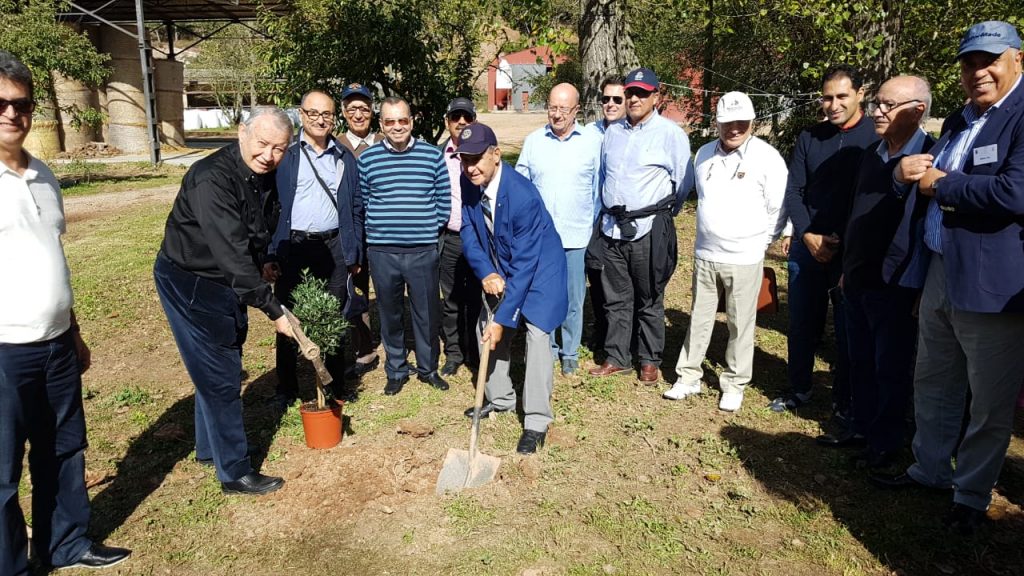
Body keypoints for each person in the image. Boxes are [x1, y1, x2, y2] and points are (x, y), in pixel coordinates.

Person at [870, 21, 1024, 536]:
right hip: (940, 267)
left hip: (992, 284)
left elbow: (1015, 193)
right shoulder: (960, 118)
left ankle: (971, 495)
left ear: (1017, 60)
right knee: (934, 377)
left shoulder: (1021, 116)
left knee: (989, 397)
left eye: (990, 61)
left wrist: (945, 184)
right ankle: (929, 469)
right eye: (969, 63)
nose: (978, 72)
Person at [0, 49, 131, 575]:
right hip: (5, 350)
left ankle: (67, 544)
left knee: (64, 451)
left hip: (55, 343)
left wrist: (73, 331)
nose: (12, 113)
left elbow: (55, 256)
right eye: (1, 103)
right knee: (3, 472)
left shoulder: (45, 175)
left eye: (23, 103)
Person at [154, 106, 295, 496]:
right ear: (241, 133)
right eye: (263, 144)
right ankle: (234, 471)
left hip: (225, 278)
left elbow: (258, 226)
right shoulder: (211, 179)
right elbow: (231, 254)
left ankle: (207, 448)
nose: (269, 155)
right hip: (192, 280)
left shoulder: (263, 173)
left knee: (218, 357)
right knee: (221, 370)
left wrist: (265, 258)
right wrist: (274, 310)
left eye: (280, 148)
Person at [823, 76, 934, 467]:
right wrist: (846, 266)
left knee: (891, 366)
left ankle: (886, 443)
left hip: (897, 281)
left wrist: (923, 285)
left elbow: (925, 230)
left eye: (888, 105)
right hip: (857, 276)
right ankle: (861, 426)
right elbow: (858, 213)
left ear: (917, 110)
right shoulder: (873, 154)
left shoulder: (930, 160)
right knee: (859, 360)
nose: (877, 112)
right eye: (877, 104)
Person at [664, 92, 787, 412]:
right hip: (706, 253)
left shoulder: (767, 156)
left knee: (740, 322)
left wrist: (762, 242)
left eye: (741, 122)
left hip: (745, 256)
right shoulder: (703, 154)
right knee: (699, 319)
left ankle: (734, 382)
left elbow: (779, 207)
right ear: (717, 122)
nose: (734, 128)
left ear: (752, 122)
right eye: (727, 122)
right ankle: (688, 376)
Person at [770, 65, 877, 416]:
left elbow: (873, 198)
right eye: (827, 97)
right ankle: (799, 388)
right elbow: (794, 190)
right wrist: (809, 235)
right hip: (808, 244)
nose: (833, 104)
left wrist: (842, 239)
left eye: (841, 96)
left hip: (852, 249)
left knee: (849, 328)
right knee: (801, 323)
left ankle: (844, 399)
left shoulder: (875, 138)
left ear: (860, 94)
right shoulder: (809, 137)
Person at [455, 122, 568, 454]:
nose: (470, 167)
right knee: (484, 328)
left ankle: (535, 421)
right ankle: (501, 399)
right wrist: (487, 272)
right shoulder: (469, 180)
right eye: (464, 159)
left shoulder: (523, 197)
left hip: (540, 271)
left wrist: (504, 318)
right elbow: (468, 231)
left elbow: (525, 266)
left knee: (536, 334)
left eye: (477, 159)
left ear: (495, 154)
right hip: (501, 264)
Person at [588, 67, 693, 383]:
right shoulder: (614, 132)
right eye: (631, 92)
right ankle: (617, 355)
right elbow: (606, 175)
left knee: (649, 295)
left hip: (648, 228)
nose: (634, 98)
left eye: (642, 93)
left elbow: (683, 183)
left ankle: (649, 359)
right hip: (612, 229)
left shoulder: (670, 134)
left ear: (656, 97)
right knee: (616, 297)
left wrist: (660, 214)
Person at [264, 90, 363, 407]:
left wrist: (354, 250)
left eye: (327, 114)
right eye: (314, 113)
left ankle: (334, 385)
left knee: (334, 316)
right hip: (293, 247)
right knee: (287, 318)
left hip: (333, 245)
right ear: (301, 115)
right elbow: (269, 207)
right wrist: (269, 252)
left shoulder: (344, 157)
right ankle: (287, 388)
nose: (321, 120)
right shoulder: (287, 156)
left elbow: (357, 207)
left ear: (335, 117)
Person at [357, 96, 450, 395]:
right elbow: (364, 201)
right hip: (383, 251)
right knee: (390, 313)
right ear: (381, 124)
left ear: (412, 120)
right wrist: (384, 227)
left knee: (426, 313)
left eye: (402, 120)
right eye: (389, 121)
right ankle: (396, 370)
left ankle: (427, 369)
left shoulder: (431, 156)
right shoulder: (368, 159)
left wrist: (422, 227)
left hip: (422, 249)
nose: (397, 126)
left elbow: (443, 201)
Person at [516, 83, 601, 375]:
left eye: (563, 108)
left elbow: (597, 191)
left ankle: (570, 353)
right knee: (543, 297)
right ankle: (547, 351)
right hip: (541, 239)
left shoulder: (591, 143)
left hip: (576, 235)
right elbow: (521, 186)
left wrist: (587, 223)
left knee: (573, 299)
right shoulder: (533, 142)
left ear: (576, 110)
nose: (556, 114)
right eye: (552, 107)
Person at [338, 82, 383, 377]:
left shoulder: (385, 141)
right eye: (352, 108)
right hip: (351, 234)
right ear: (343, 112)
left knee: (391, 292)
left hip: (384, 232)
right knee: (355, 293)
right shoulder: (334, 145)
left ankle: (398, 347)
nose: (358, 114)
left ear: (372, 111)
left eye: (364, 109)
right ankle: (364, 350)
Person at [438, 97, 482, 377]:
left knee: (477, 298)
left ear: (474, 121)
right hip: (451, 238)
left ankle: (476, 352)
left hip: (477, 237)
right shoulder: (436, 156)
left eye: (467, 117)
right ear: (448, 122)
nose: (461, 122)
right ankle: (454, 353)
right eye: (456, 117)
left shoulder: (483, 153)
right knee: (452, 300)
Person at [584, 76, 627, 356]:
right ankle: (600, 333)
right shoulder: (589, 132)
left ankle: (622, 336)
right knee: (596, 277)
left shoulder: (630, 133)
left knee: (619, 282)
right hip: (591, 217)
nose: (610, 104)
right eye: (606, 99)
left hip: (619, 219)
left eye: (617, 99)